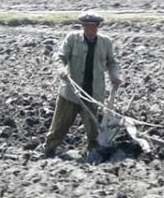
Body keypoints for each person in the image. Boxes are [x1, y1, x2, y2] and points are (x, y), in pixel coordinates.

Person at [44, 11, 122, 158]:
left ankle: (92, 154)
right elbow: (60, 57)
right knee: (60, 126)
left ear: (97, 28)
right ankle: (49, 150)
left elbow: (112, 62)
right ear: (82, 27)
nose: (90, 31)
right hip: (71, 92)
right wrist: (62, 71)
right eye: (87, 27)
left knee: (93, 130)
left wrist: (115, 76)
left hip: (92, 93)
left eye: (93, 27)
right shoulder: (72, 39)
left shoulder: (105, 42)